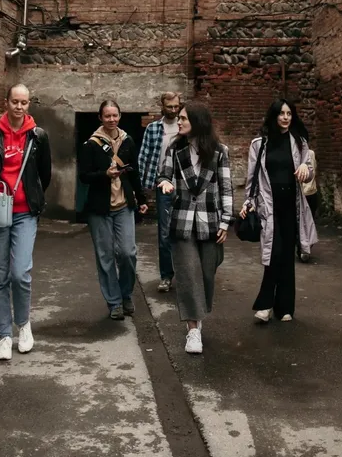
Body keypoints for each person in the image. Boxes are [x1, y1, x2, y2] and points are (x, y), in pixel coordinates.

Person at [0, 83, 52, 360]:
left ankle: (24, 325)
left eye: (24, 102)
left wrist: (31, 197)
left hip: (25, 213)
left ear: (29, 104)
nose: (19, 107)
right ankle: (4, 336)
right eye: (15, 102)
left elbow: (45, 174)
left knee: (20, 273)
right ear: (6, 103)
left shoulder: (38, 136)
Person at [157, 100, 233, 355]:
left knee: (207, 274)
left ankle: (198, 316)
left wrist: (226, 221)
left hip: (211, 222)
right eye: (178, 118)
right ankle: (193, 330)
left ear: (197, 122)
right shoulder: (175, 148)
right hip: (182, 219)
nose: (178, 122)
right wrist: (165, 183)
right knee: (188, 274)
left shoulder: (219, 152)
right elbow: (164, 175)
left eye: (183, 118)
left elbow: (226, 187)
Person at [240, 99, 316, 323]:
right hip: (268, 207)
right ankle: (265, 305)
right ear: (274, 116)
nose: (285, 117)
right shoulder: (259, 144)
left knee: (287, 256)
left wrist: (305, 167)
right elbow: (252, 178)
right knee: (274, 253)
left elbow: (309, 174)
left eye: (289, 113)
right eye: (282, 113)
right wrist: (248, 202)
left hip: (292, 206)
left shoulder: (299, 142)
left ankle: (285, 308)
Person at [79, 100, 148, 320]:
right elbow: (84, 176)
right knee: (105, 256)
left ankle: (126, 293)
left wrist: (141, 198)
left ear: (120, 116)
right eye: (107, 116)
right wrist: (104, 175)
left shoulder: (127, 141)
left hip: (124, 205)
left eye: (115, 115)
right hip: (99, 208)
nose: (112, 119)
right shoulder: (91, 144)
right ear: (100, 118)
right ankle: (114, 302)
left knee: (128, 253)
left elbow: (134, 171)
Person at [138, 92, 182, 293]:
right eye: (169, 106)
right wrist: (142, 189)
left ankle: (186, 275)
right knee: (164, 234)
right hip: (163, 185)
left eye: (176, 106)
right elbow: (144, 157)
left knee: (185, 232)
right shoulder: (153, 128)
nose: (173, 110)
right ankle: (166, 276)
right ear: (162, 106)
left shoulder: (184, 126)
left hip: (185, 186)